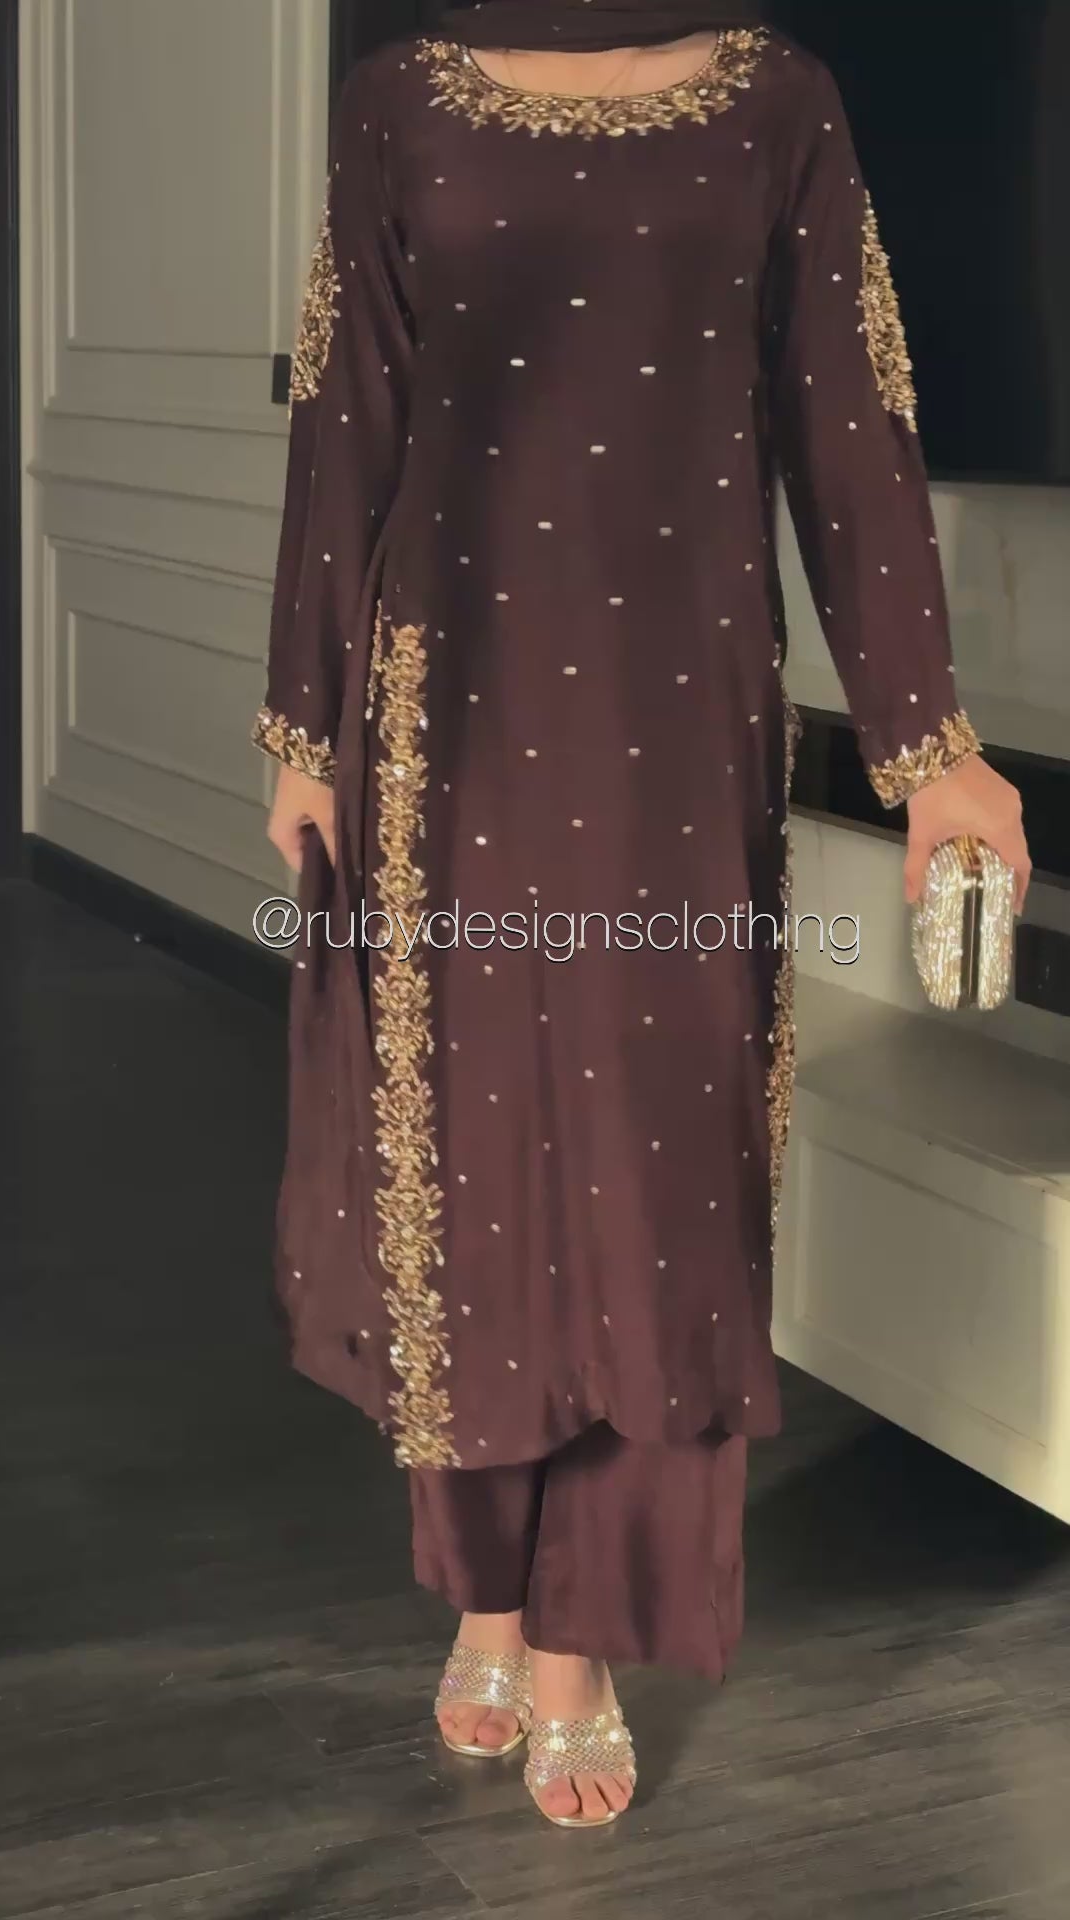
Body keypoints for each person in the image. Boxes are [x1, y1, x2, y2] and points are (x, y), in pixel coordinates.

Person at [253, 0, 1030, 1830]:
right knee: (467, 1157)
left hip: (676, 720)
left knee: (649, 1169)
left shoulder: (775, 102)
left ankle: (583, 1633)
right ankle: (489, 1593)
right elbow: (346, 412)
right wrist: (302, 725)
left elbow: (849, 418)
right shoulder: (401, 103)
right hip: (447, 714)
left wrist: (928, 743)